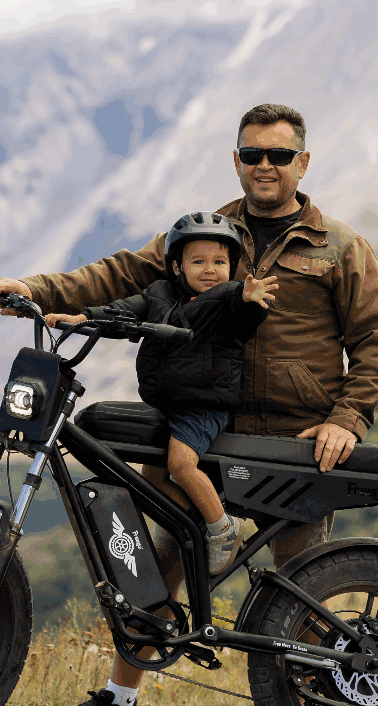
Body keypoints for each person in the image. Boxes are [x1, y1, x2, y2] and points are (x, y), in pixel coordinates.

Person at [0, 103, 378, 706]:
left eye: (279, 155)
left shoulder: (341, 248)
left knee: (302, 578)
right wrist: (33, 288)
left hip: (294, 441)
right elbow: (118, 275)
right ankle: (119, 702)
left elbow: (376, 340)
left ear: (303, 163)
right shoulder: (206, 234)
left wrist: (348, 419)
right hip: (202, 429)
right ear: (237, 160)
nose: (265, 166)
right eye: (253, 154)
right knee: (161, 561)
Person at [46, 212, 279, 574]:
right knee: (148, 480)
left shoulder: (228, 299)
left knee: (180, 464)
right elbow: (122, 313)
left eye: (220, 262)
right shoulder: (159, 294)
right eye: (198, 261)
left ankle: (222, 527)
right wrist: (82, 319)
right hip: (166, 405)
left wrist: (248, 299)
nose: (210, 270)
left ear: (232, 268)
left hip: (202, 407)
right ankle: (184, 530)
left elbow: (243, 313)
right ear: (176, 266)